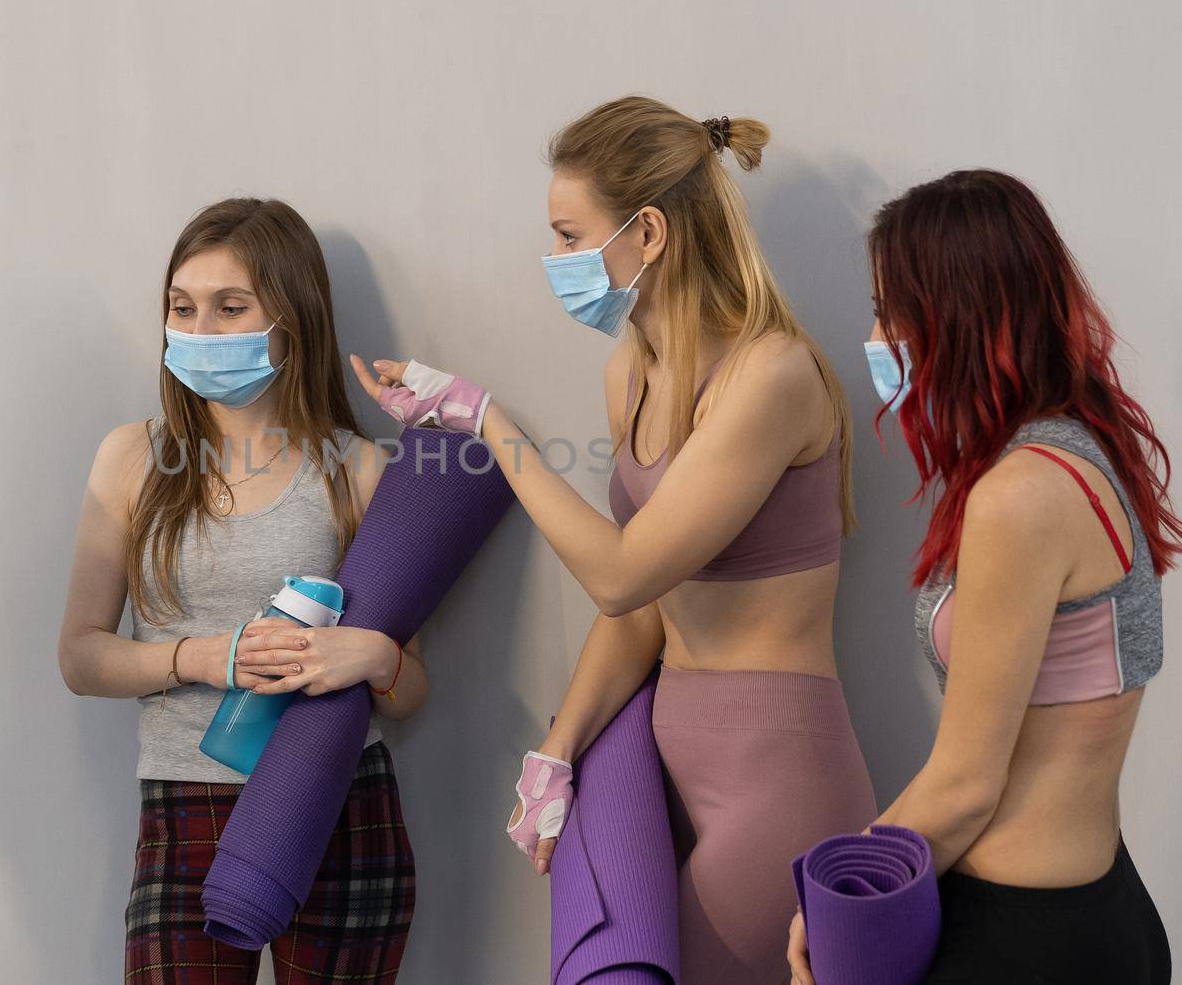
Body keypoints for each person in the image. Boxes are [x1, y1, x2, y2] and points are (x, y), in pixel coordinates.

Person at [352, 96, 875, 982]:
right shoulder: (629, 374)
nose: (553, 261)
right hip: (670, 751)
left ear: (649, 234)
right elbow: (646, 613)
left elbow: (620, 576)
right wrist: (558, 749)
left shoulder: (772, 375)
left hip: (779, 772)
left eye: (567, 235)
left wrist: (489, 423)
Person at [787, 170, 1175, 984]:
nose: (876, 334)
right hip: (1096, 915)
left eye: (890, 311)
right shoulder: (1083, 450)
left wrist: (831, 908)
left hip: (1022, 937)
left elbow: (964, 785)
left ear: (955, 313)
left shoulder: (1020, 495)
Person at [57, 197, 422, 983]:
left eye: (230, 308)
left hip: (337, 802)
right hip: (186, 805)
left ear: (291, 317)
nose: (200, 332)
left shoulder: (356, 468)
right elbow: (81, 658)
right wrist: (205, 657)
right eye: (181, 308)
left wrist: (374, 654)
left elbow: (410, 689)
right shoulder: (131, 459)